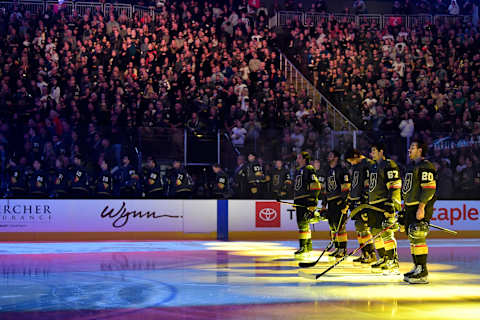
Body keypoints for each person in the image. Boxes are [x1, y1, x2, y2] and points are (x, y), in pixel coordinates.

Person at [401, 140, 437, 284]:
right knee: (412, 237)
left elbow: (429, 188)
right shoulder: (411, 166)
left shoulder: (426, 166)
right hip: (410, 206)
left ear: (420, 150)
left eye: (413, 147)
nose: (409, 150)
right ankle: (417, 267)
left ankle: (423, 270)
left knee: (418, 235)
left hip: (419, 206)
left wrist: (421, 207)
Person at [368, 142, 402, 274]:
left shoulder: (389, 165)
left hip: (384, 203)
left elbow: (394, 185)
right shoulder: (374, 166)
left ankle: (393, 260)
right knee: (375, 231)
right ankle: (383, 257)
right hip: (374, 204)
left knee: (386, 232)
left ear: (381, 152)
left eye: (374, 151)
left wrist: (391, 203)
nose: (372, 154)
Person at [345, 148, 377, 265]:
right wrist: (349, 200)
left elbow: (369, 184)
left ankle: (371, 253)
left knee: (363, 227)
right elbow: (354, 185)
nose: (351, 163)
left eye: (351, 160)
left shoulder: (367, 164)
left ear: (356, 156)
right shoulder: (356, 166)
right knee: (359, 228)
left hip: (363, 201)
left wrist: (365, 198)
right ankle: (365, 253)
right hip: (355, 201)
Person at [318, 150, 350, 258]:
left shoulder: (341, 170)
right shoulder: (327, 171)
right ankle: (337, 248)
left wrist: (345, 202)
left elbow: (346, 187)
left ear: (336, 158)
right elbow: (325, 190)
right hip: (330, 202)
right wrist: (323, 204)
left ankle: (343, 249)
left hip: (339, 201)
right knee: (333, 226)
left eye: (331, 155)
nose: (328, 157)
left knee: (340, 226)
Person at [293, 151, 321, 260]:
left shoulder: (309, 169)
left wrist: (312, 201)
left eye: (299, 158)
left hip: (305, 200)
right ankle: (307, 247)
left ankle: (303, 247)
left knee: (303, 224)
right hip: (300, 200)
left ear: (304, 159)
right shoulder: (299, 170)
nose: (297, 160)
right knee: (303, 224)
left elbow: (315, 185)